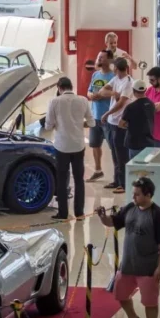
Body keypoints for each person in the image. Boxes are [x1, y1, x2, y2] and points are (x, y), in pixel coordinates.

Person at [95, 177, 160, 318]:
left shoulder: (158, 215)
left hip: (148, 268)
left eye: (137, 194)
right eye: (133, 194)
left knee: (150, 302)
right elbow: (112, 222)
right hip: (128, 265)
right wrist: (102, 217)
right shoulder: (130, 208)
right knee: (120, 294)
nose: (133, 197)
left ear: (148, 195)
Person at [44, 77, 93, 220]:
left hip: (62, 146)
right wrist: (78, 125)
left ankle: (63, 213)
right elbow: (91, 122)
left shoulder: (54, 101)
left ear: (59, 88)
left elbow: (48, 125)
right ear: (72, 87)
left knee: (62, 178)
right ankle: (80, 213)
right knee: (79, 179)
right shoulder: (83, 100)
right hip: (78, 145)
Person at [100, 57, 134, 194]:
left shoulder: (128, 82)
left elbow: (121, 103)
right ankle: (116, 180)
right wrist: (113, 93)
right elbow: (102, 91)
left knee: (121, 154)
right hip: (112, 123)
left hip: (121, 122)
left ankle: (124, 183)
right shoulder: (116, 79)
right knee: (114, 152)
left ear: (118, 69)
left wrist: (107, 113)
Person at [86, 50, 114, 181]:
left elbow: (117, 95)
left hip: (108, 117)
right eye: (98, 57)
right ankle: (98, 170)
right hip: (95, 116)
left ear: (109, 60)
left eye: (102, 58)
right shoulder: (95, 75)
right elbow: (89, 91)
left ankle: (117, 173)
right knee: (95, 144)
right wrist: (91, 95)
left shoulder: (113, 77)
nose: (99, 60)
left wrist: (102, 95)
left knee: (113, 146)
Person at [120, 80, 157, 161]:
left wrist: (129, 126)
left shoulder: (131, 107)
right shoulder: (151, 104)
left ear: (133, 91)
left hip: (135, 144)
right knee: (147, 169)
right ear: (145, 90)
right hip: (149, 142)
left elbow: (121, 124)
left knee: (135, 170)